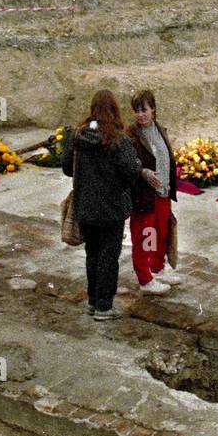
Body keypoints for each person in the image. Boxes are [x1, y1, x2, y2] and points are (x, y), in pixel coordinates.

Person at [62, 89, 142, 321]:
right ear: (115, 110)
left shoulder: (78, 136)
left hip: (85, 207)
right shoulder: (118, 139)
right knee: (108, 256)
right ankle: (104, 306)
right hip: (111, 208)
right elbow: (130, 172)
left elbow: (67, 168)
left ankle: (92, 301)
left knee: (92, 254)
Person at [127, 89, 180, 294]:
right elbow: (129, 163)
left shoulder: (159, 129)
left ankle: (158, 269)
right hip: (144, 195)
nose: (140, 114)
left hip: (162, 193)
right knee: (144, 236)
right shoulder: (132, 135)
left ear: (153, 109)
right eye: (137, 111)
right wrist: (144, 172)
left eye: (144, 110)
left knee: (160, 234)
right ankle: (145, 278)